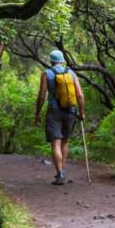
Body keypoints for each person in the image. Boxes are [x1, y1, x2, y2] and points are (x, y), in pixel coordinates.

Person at [35, 49, 85, 185]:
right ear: (62, 61)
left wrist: (38, 113)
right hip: (70, 111)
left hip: (54, 111)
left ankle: (60, 174)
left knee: (55, 143)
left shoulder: (46, 74)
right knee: (64, 141)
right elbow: (80, 95)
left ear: (51, 61)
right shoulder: (71, 73)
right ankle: (62, 171)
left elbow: (41, 96)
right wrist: (81, 113)